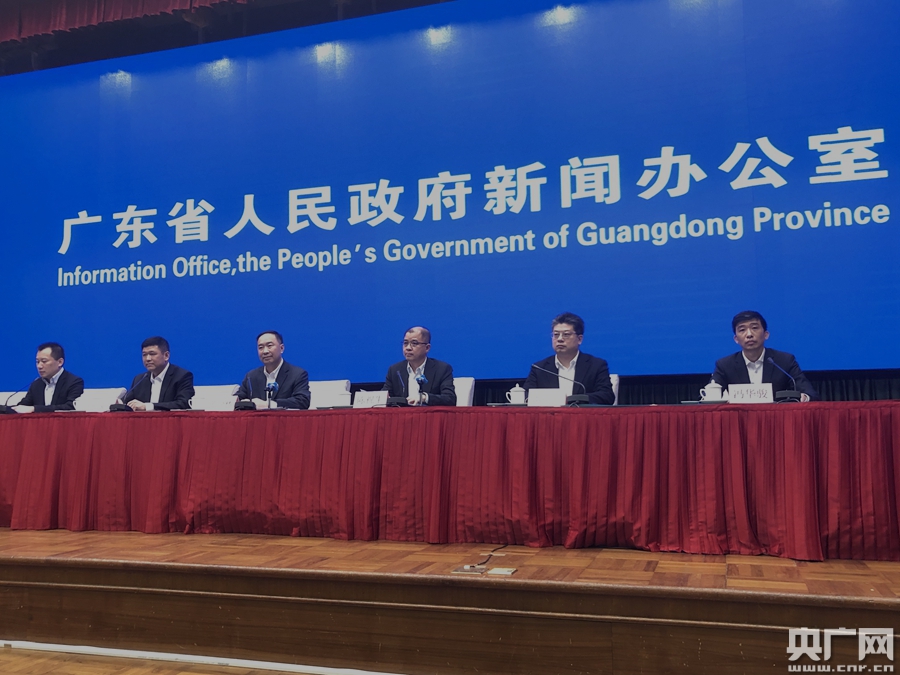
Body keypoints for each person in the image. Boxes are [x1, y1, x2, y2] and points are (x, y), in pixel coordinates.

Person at [711, 310, 817, 401]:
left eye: (754, 328)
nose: (749, 334)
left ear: (766, 334)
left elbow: (809, 392)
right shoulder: (725, 365)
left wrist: (805, 397)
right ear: (736, 339)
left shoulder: (784, 361)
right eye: (742, 330)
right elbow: (710, 397)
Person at [524, 312, 615, 405]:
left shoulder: (596, 365)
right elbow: (526, 396)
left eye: (566, 334)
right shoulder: (539, 368)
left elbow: (607, 396)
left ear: (579, 339)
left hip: (581, 414)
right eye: (556, 334)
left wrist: (574, 399)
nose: (560, 339)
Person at [382, 326, 456, 406]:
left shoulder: (442, 369)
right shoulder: (395, 370)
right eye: (405, 343)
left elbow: (450, 399)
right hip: (403, 414)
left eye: (414, 343)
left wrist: (424, 397)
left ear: (427, 348)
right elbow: (384, 397)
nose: (408, 348)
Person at [236, 331, 310, 409]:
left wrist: (270, 404)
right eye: (261, 347)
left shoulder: (297, 374)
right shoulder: (251, 376)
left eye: (269, 346)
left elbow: (302, 401)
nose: (265, 351)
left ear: (281, 348)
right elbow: (238, 400)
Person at [121, 336, 194, 411]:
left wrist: (147, 406)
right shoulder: (139, 379)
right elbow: (127, 402)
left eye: (152, 354)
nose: (148, 359)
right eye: (144, 355)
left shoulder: (182, 376)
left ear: (166, 356)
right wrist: (119, 403)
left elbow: (183, 404)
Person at [14, 342, 85, 413]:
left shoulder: (74, 382)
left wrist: (35, 409)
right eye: (37, 362)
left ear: (60, 362)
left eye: (44, 361)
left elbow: (71, 407)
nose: (39, 366)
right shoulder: (36, 384)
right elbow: (23, 406)